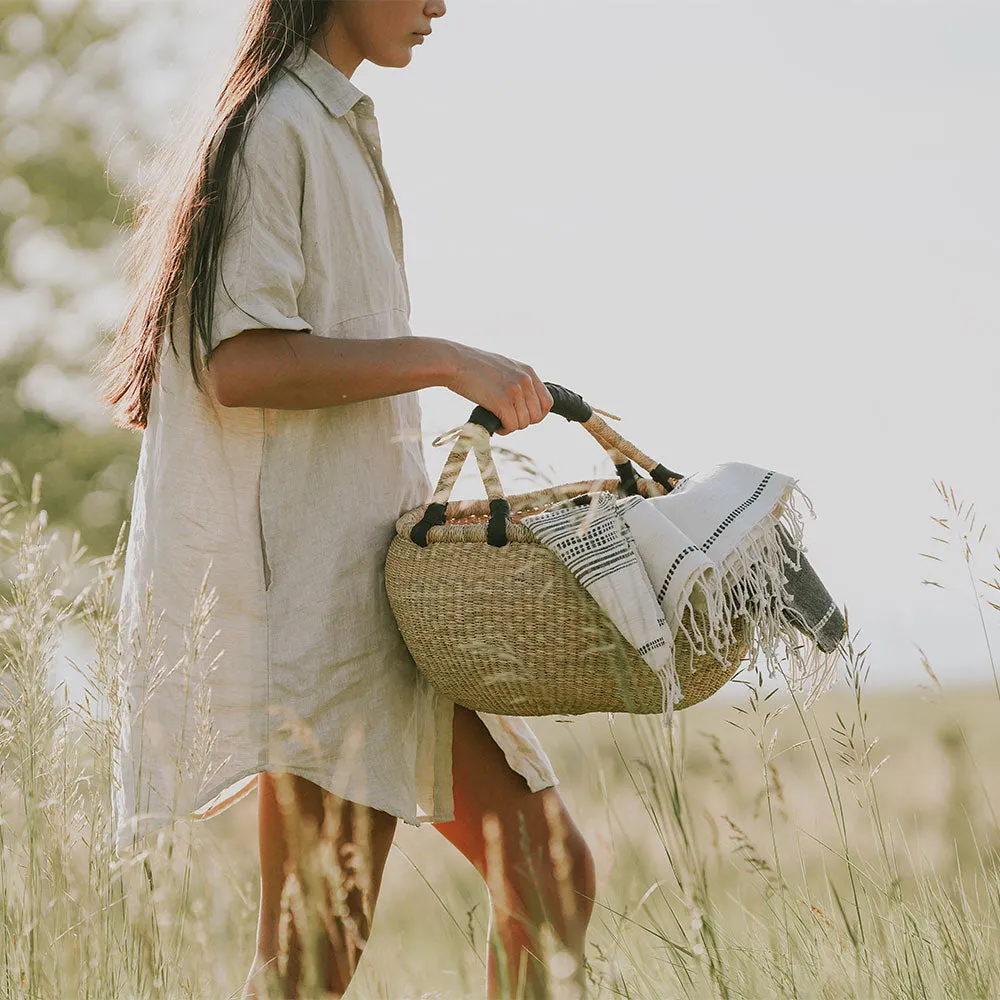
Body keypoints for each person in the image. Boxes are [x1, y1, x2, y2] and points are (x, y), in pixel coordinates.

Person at [100, 2, 596, 997]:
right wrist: (449, 360)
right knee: (308, 964)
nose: (440, 5)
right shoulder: (273, 126)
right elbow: (239, 365)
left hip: (381, 603)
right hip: (320, 619)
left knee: (548, 879)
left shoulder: (327, 122)